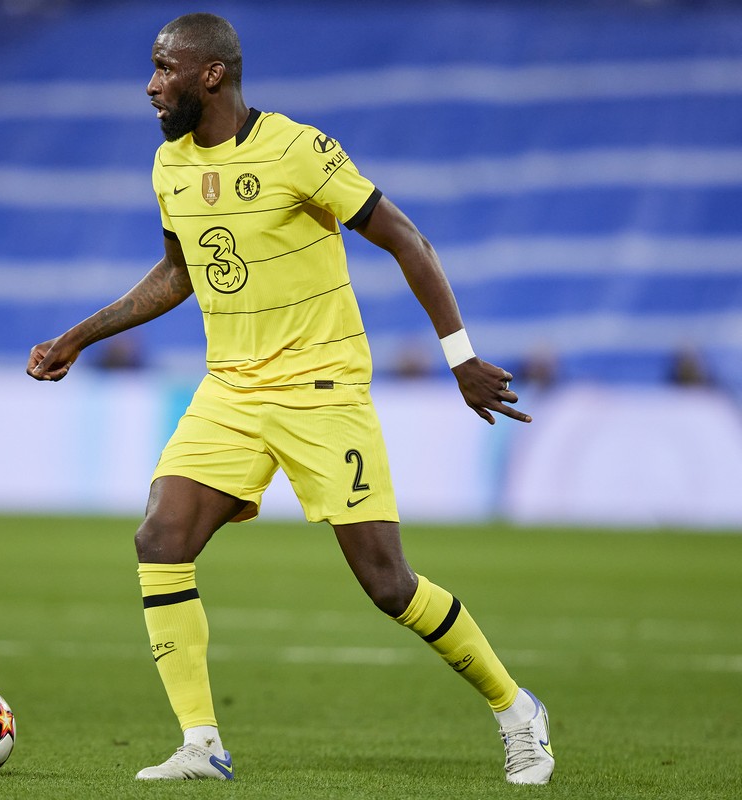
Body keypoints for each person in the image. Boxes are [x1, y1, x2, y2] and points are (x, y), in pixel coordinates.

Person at [27, 13, 553, 786]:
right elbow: (179, 271)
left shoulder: (297, 150)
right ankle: (201, 743)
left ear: (212, 74)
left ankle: (517, 711)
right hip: (231, 390)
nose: (150, 85)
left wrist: (460, 357)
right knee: (160, 538)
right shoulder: (170, 164)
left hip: (321, 390)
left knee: (387, 584)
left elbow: (406, 238)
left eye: (165, 68)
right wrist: (80, 336)